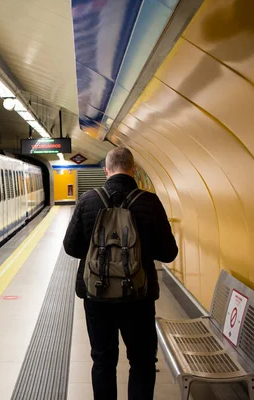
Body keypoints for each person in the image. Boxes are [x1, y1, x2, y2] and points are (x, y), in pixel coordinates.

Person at [63, 147, 178, 400]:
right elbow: (169, 253)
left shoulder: (88, 200)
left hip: (97, 296)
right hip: (139, 295)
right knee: (142, 360)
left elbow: (71, 248)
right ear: (133, 169)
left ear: (106, 171)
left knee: (103, 361)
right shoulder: (149, 202)